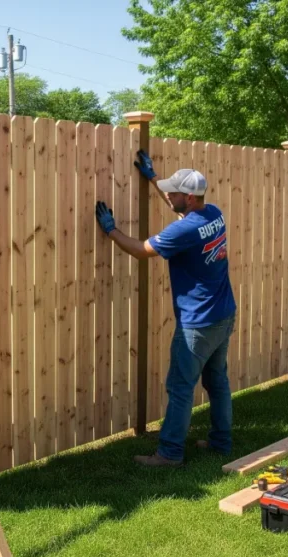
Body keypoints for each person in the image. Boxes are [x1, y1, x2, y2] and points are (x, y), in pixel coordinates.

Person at [94, 150, 236, 467]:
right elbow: (182, 214)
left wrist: (110, 230)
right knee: (217, 381)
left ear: (188, 196)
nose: (167, 195)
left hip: (198, 324)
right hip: (224, 313)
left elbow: (141, 250)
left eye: (172, 192)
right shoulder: (213, 213)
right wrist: (155, 178)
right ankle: (220, 443)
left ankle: (170, 453)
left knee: (180, 387)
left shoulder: (184, 230)